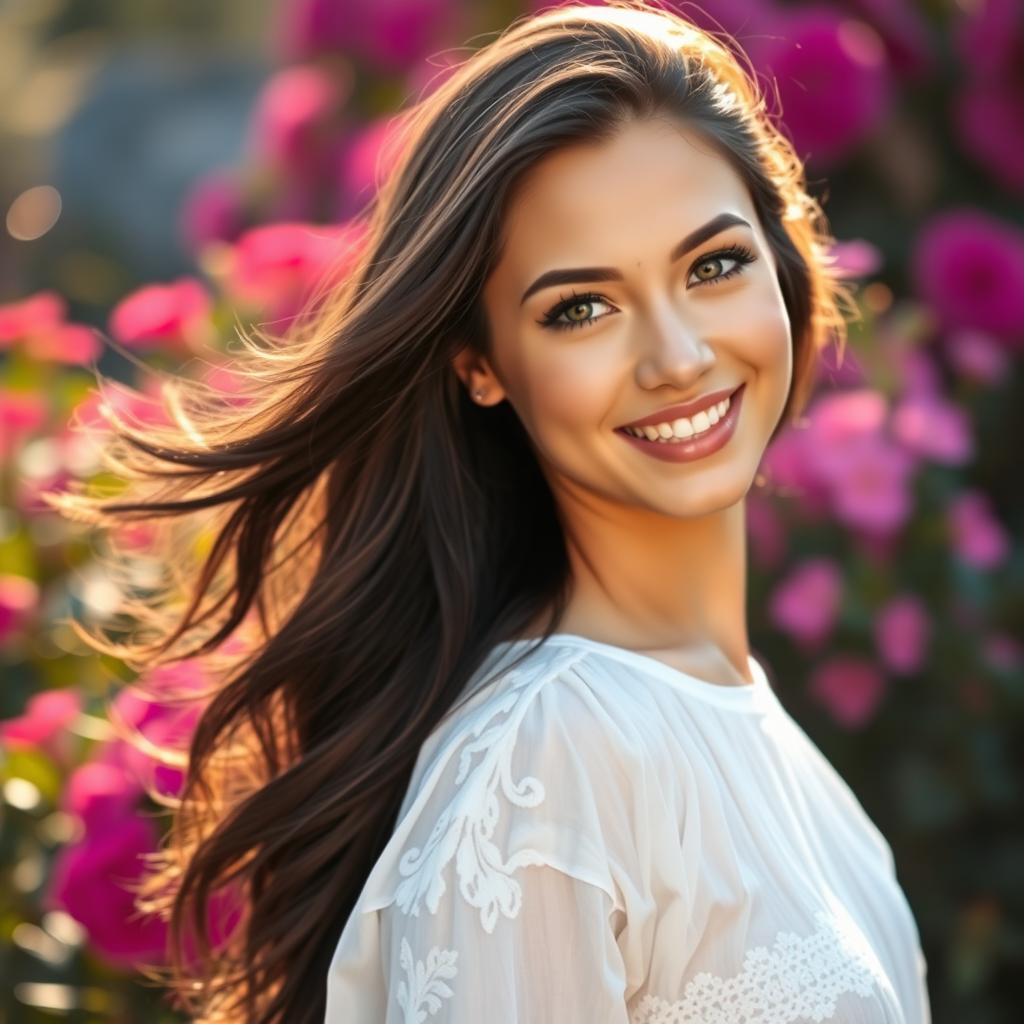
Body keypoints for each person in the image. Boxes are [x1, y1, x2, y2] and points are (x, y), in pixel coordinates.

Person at [52, 2, 931, 1022]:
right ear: (481, 365)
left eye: (712, 265)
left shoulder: (756, 736)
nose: (678, 356)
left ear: (777, 263)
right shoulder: (546, 764)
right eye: (580, 308)